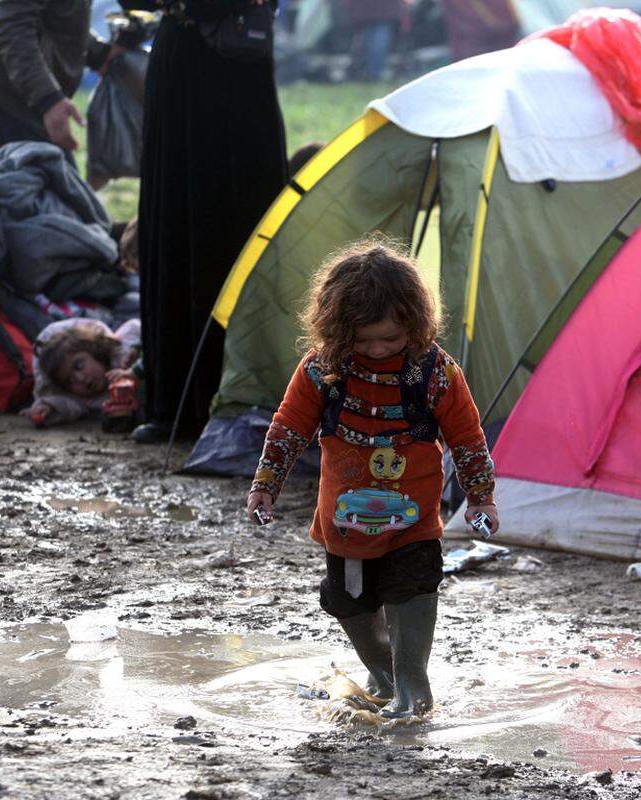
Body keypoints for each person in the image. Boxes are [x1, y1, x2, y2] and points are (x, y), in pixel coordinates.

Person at [245, 242, 499, 719]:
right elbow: (288, 428)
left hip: (414, 524)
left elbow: (467, 438)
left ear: (415, 323)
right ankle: (382, 674)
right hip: (345, 526)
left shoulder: (436, 373)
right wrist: (265, 484)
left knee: (411, 594)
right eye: (365, 341)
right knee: (348, 603)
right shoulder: (323, 370)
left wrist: (481, 497)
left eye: (391, 338)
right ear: (339, 331)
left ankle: (412, 686)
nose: (379, 350)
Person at [127, 0, 287, 444]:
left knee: (232, 226)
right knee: (173, 223)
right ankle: (173, 400)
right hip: (179, 66)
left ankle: (236, 395)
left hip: (233, 70)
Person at [0, 0, 114, 153]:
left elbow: (56, 11)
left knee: (55, 180)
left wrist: (99, 54)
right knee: (47, 181)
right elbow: (11, 27)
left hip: (19, 88)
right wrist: (49, 100)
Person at [22, 317, 141, 427]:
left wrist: (136, 350)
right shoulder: (85, 401)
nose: (80, 378)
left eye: (79, 366)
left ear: (93, 350)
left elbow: (137, 327)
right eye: (70, 380)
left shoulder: (123, 352)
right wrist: (46, 407)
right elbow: (65, 405)